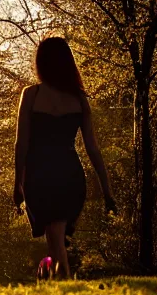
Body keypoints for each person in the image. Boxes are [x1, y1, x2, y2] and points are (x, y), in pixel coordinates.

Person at [13, 37, 116, 279]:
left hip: (40, 175)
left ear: (42, 63)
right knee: (55, 238)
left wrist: (18, 183)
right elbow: (93, 149)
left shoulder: (31, 95)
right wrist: (106, 191)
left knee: (55, 239)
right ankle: (58, 286)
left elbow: (22, 144)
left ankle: (65, 287)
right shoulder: (79, 100)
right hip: (70, 175)